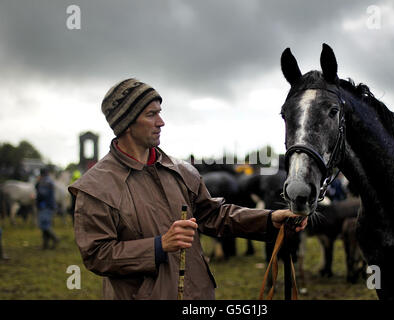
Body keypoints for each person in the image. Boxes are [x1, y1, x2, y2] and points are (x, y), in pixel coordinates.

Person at [68, 78, 307, 300]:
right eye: (151, 115)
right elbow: (97, 255)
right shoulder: (95, 187)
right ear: (127, 123)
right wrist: (159, 246)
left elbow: (214, 216)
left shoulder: (182, 171)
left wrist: (269, 220)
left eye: (159, 113)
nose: (161, 122)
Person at [35, 167, 59, 249]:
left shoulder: (44, 182)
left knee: (44, 225)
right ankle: (45, 245)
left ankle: (55, 238)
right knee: (45, 225)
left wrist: (37, 183)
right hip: (49, 206)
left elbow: (42, 194)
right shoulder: (49, 181)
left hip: (45, 206)